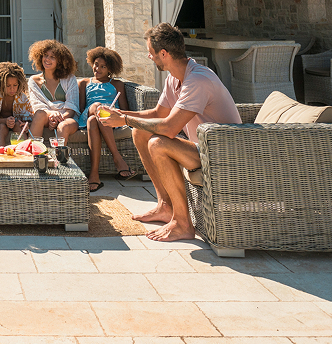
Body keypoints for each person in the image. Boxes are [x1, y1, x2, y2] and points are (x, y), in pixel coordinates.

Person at [99, 22, 242, 242]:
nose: (150, 57)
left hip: (223, 154)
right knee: (140, 133)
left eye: (151, 53)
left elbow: (168, 127)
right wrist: (119, 113)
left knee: (158, 143)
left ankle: (183, 224)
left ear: (163, 54)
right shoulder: (175, 77)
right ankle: (165, 206)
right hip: (202, 147)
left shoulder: (198, 80)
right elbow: (159, 112)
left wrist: (125, 120)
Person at [78, 46, 137, 192]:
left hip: (110, 118)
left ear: (110, 69)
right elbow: (81, 108)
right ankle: (117, 158)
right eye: (96, 64)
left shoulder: (117, 84)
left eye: (103, 66)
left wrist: (111, 112)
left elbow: (123, 108)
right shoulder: (84, 83)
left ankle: (94, 174)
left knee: (97, 119)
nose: (98, 68)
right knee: (97, 109)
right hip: (89, 112)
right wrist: (98, 109)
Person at [27, 39, 80, 144]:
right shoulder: (33, 81)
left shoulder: (70, 78)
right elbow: (36, 106)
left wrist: (58, 119)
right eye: (45, 55)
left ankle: (59, 159)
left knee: (63, 126)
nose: (47, 59)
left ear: (60, 61)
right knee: (39, 114)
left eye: (52, 57)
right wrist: (51, 114)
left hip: (67, 117)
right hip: (46, 116)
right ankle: (32, 155)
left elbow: (72, 108)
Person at [0, 61, 47, 147]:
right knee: (2, 127)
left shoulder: (22, 97)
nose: (12, 89)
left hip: (16, 123)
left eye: (15, 85)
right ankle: (0, 155)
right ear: (1, 84)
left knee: (18, 126)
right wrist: (5, 121)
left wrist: (26, 125)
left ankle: (25, 154)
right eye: (8, 85)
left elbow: (30, 119)